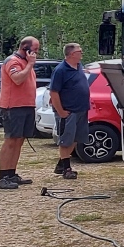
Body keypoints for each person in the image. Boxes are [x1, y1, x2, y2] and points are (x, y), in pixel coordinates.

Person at [0, 36, 39, 190]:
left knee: (19, 141)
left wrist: (29, 64)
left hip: (26, 106)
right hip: (13, 107)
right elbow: (18, 79)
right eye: (35, 50)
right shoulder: (12, 61)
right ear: (26, 49)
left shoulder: (27, 62)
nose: (36, 54)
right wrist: (30, 65)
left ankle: (11, 173)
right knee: (11, 140)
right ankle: (3, 177)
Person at [49, 43, 90, 180]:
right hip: (68, 111)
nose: (82, 53)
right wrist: (60, 111)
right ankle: (67, 168)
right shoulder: (61, 70)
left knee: (76, 138)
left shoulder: (79, 66)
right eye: (80, 51)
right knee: (66, 139)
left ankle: (62, 163)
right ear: (72, 54)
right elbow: (54, 92)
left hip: (81, 109)